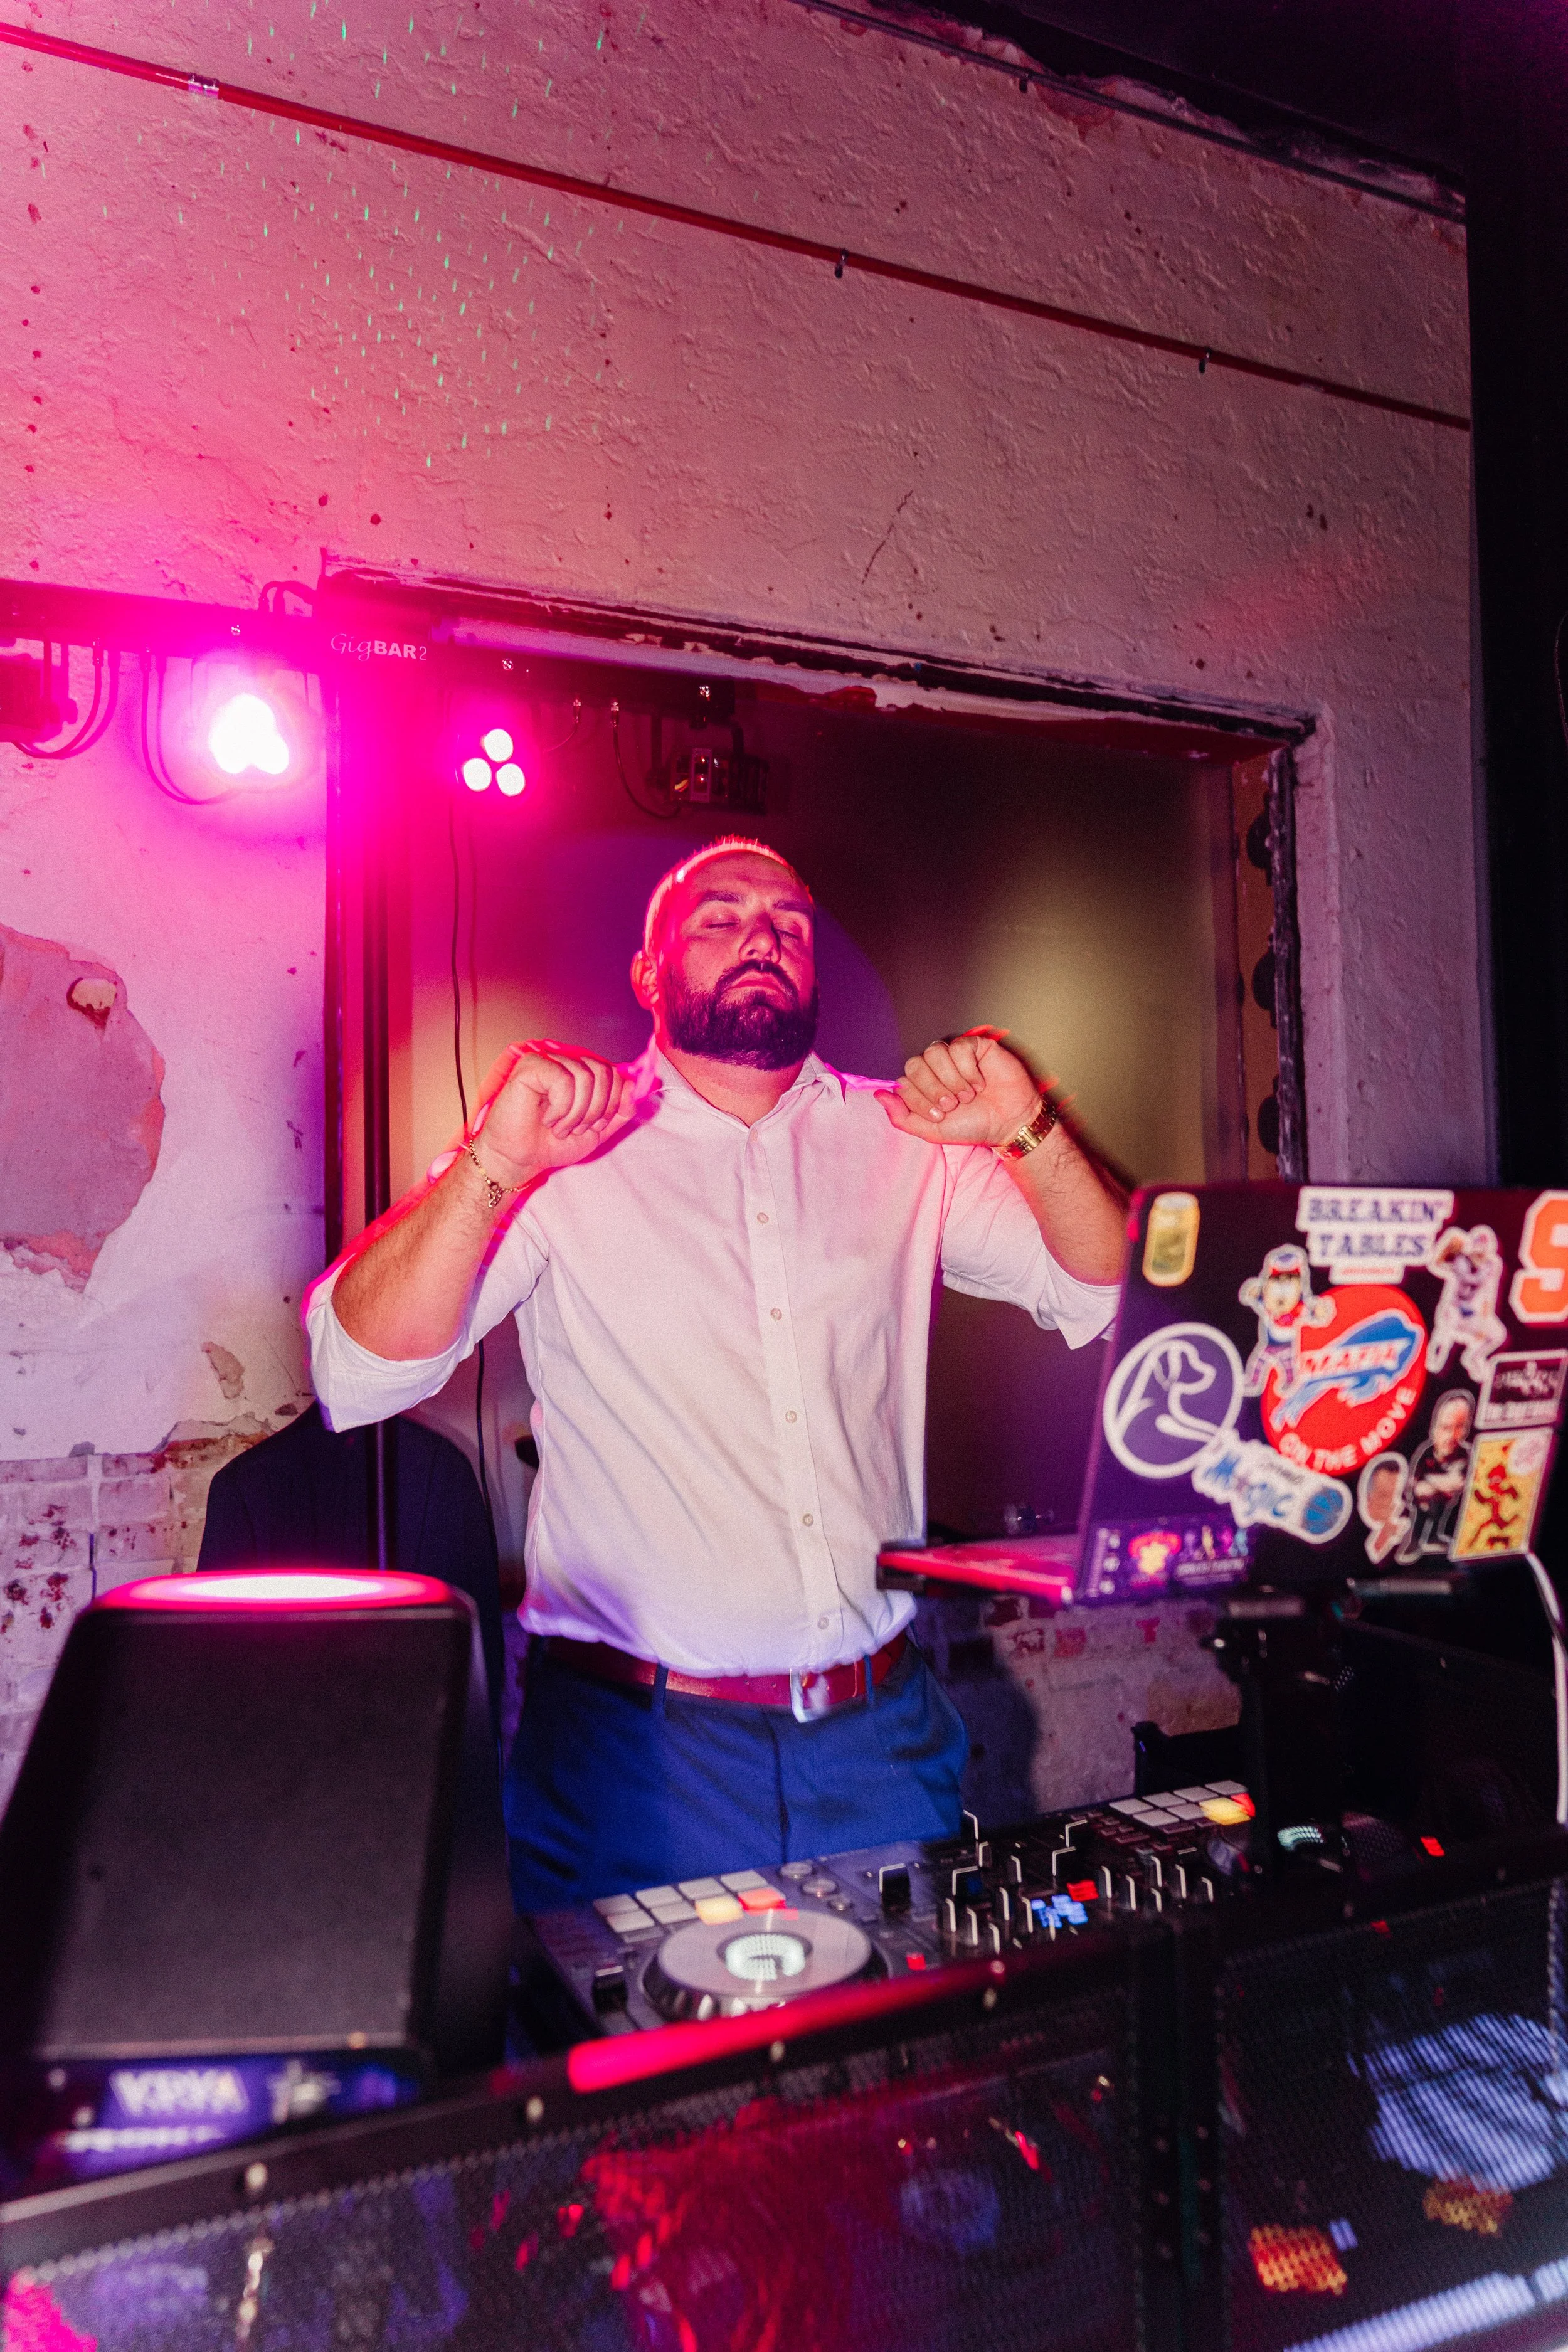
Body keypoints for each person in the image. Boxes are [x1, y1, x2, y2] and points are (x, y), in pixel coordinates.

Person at [307, 839, 1125, 1910]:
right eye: (718, 918)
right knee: (649, 2078)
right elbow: (355, 1369)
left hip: (879, 1738)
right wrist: (496, 1161)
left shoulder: (908, 1141)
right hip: (637, 1757)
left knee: (890, 2069)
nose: (761, 938)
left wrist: (1025, 1124)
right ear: (649, 973)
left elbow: (1114, 1292)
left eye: (789, 922)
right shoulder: (561, 1150)